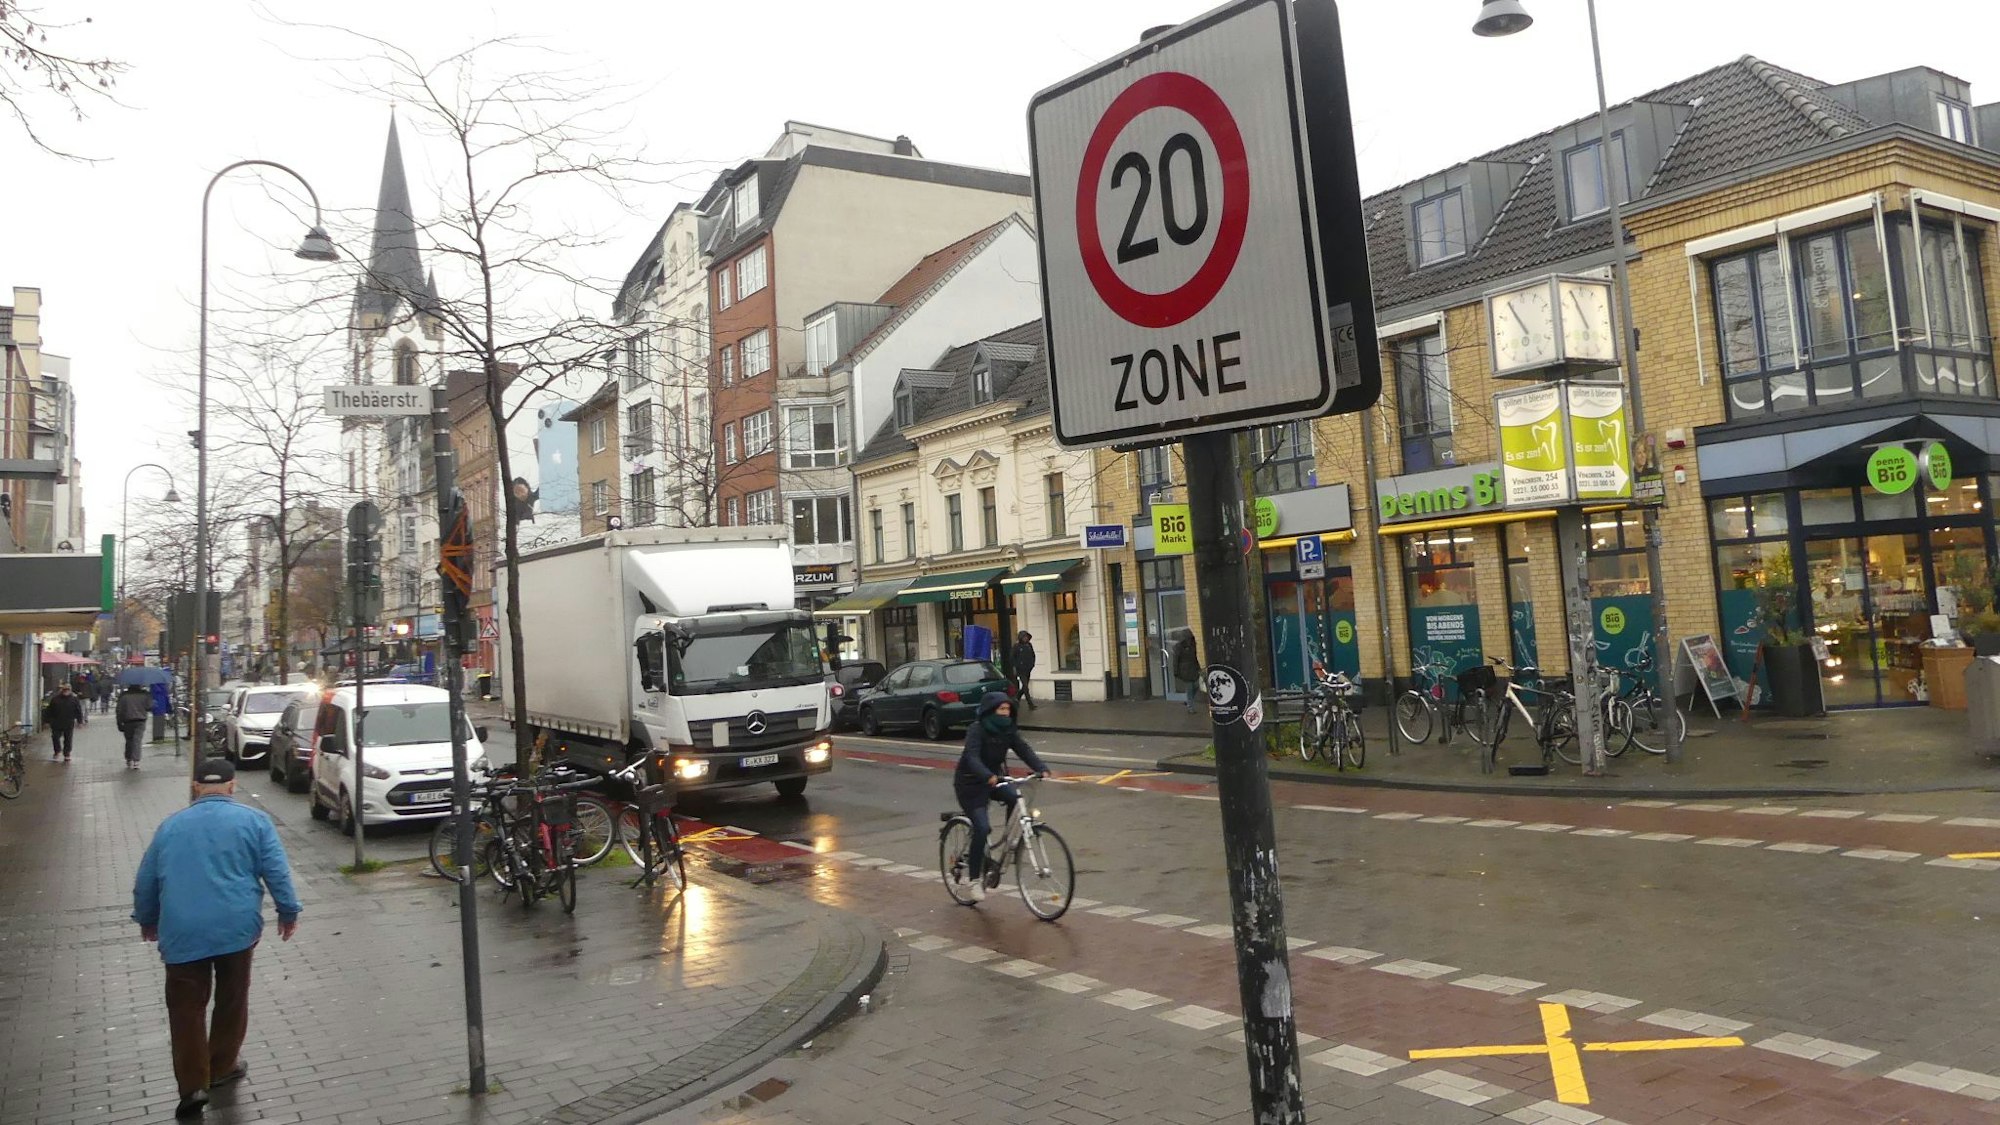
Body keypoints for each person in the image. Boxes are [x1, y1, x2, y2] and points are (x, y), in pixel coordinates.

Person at [132, 759, 301, 1120]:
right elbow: (275, 870)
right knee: (232, 996)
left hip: (181, 930)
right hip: (236, 928)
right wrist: (288, 911)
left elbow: (146, 879)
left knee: (185, 1009)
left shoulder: (170, 827)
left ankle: (193, 1085)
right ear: (231, 786)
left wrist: (147, 920)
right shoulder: (254, 822)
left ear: (195, 787)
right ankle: (222, 1064)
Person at [951, 692, 1050, 903]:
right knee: (982, 827)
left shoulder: (1007, 730)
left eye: (1008, 710)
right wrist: (986, 775)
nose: (1005, 714)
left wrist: (1040, 768)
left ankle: (1009, 840)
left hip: (995, 779)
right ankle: (974, 879)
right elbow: (972, 757)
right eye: (1001, 710)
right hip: (971, 785)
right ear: (991, 711)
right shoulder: (977, 730)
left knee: (1015, 798)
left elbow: (1023, 749)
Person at [43, 682, 85, 763]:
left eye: (68, 689)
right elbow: (49, 710)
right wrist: (47, 721)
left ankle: (67, 753)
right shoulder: (55, 699)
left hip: (68, 722)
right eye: (64, 689)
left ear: (70, 690)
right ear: (62, 690)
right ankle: (57, 750)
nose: (66, 691)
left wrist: (80, 721)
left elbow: (78, 711)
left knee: (68, 739)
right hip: (56, 722)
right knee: (55, 737)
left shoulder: (74, 699)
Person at [117, 682, 152, 769]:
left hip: (127, 721)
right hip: (140, 720)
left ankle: (128, 758)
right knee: (137, 740)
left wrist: (119, 722)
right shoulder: (145, 695)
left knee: (129, 740)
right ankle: (136, 760)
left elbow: (119, 710)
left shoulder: (124, 696)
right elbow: (149, 707)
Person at [1171, 629, 1202, 713]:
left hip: (1193, 668)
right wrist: (1176, 671)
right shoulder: (1179, 647)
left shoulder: (1192, 645)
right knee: (1190, 688)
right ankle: (1190, 707)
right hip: (1185, 669)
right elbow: (1176, 659)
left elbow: (1195, 657)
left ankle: (1189, 701)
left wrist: (1198, 667)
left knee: (1196, 686)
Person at [1010, 631, 1037, 711]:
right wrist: (1015, 667)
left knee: (1024, 688)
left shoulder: (1029, 645)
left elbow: (1033, 655)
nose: (1025, 638)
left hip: (1028, 669)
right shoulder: (1016, 646)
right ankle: (1030, 704)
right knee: (1025, 687)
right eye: (1024, 637)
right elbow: (1012, 657)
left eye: (1026, 637)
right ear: (1021, 638)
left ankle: (1017, 698)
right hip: (1020, 670)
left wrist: (1032, 664)